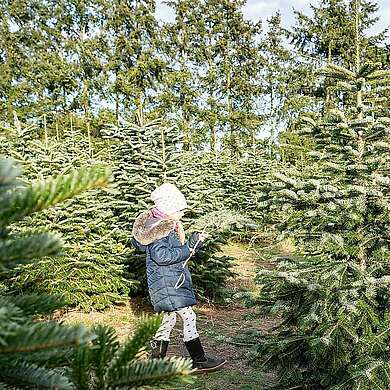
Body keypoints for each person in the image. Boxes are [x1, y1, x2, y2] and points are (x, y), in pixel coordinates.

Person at [131, 183, 226, 372]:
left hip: (169, 282)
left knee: (167, 321)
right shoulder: (159, 231)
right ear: (168, 209)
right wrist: (189, 247)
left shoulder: (164, 227)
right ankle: (198, 360)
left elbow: (174, 252)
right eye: (180, 210)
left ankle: (154, 364)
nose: (183, 213)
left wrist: (194, 243)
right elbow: (162, 256)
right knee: (188, 316)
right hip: (168, 284)